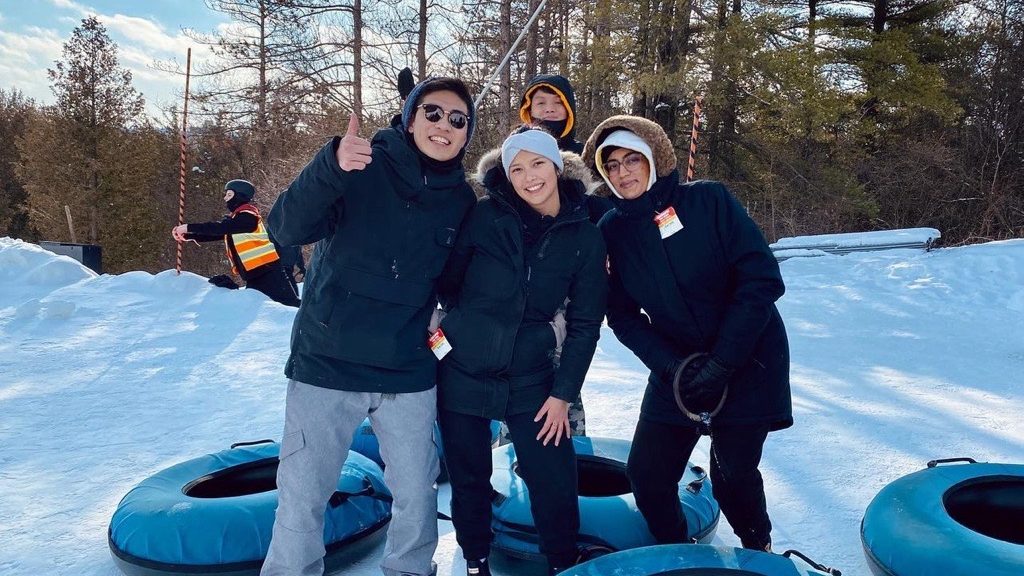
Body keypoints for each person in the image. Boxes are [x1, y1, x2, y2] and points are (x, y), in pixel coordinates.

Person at [259, 78, 478, 576]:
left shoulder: (462, 200)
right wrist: (329, 166)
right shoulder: (359, 163)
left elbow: (457, 282)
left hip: (406, 370)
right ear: (409, 116)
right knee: (302, 495)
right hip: (328, 361)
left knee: (417, 495)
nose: (443, 125)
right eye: (433, 112)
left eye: (457, 119)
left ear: (467, 134)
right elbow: (285, 229)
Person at [582, 115, 792, 552]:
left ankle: (760, 549)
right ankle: (678, 553)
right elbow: (621, 315)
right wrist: (671, 367)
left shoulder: (709, 201)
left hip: (749, 358)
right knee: (647, 474)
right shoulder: (613, 231)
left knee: (732, 474)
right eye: (613, 164)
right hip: (675, 369)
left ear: (652, 159)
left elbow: (762, 280)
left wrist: (723, 362)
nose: (623, 172)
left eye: (631, 159)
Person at [435, 126, 607, 576]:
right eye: (516, 168)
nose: (529, 177)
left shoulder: (584, 236)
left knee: (554, 477)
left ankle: (562, 563)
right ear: (505, 176)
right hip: (462, 374)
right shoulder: (486, 216)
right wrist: (458, 331)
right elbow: (449, 283)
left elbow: (587, 324)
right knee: (468, 478)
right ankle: (475, 561)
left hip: (532, 380)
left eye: (537, 163)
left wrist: (563, 393)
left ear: (556, 165)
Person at [518, 74, 612, 437]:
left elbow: (602, 206)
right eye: (540, 103)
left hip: (569, 284)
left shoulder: (582, 155)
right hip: (524, 283)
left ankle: (570, 436)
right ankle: (511, 447)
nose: (548, 110)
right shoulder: (517, 147)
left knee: (563, 364)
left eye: (556, 103)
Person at [171, 179, 300, 307]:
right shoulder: (236, 220)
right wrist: (188, 236)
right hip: (253, 275)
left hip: (269, 273)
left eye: (229, 195)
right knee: (261, 309)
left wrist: (188, 227)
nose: (225, 199)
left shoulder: (249, 217)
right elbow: (219, 233)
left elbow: (220, 228)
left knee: (289, 307)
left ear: (240, 196)